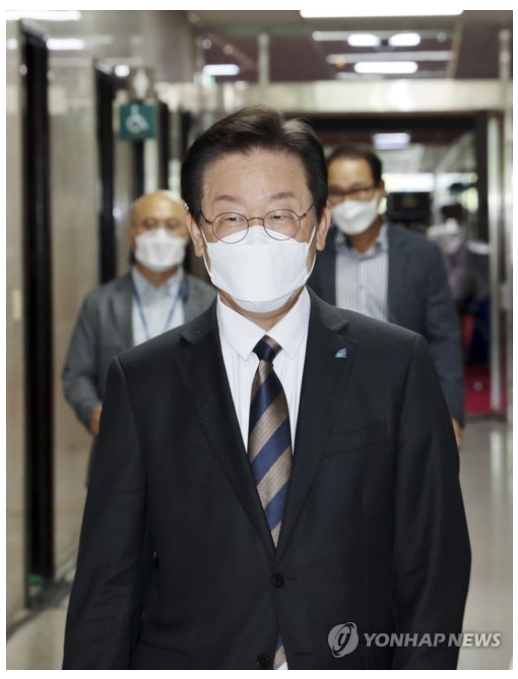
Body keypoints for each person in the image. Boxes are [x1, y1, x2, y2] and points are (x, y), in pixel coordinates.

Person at [62, 107, 470, 670]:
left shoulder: (395, 365)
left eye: (280, 214)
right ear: (198, 233)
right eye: (231, 217)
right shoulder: (142, 381)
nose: (257, 237)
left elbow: (433, 562)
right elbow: (108, 580)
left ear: (320, 225)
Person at [308, 144, 465, 447]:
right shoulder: (314, 256)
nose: (348, 202)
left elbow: (444, 337)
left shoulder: (422, 254)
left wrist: (451, 411)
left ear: (380, 189)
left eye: (359, 190)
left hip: (407, 397)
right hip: (335, 404)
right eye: (337, 192)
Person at [62, 190, 216, 457]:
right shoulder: (100, 303)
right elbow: (76, 374)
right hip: (120, 446)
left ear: (188, 234)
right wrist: (93, 410)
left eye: (171, 225)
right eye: (149, 224)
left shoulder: (211, 302)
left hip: (193, 447)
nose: (160, 235)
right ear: (132, 235)